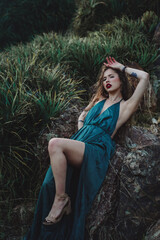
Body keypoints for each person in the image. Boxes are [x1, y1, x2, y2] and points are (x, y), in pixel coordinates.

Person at [24, 57, 149, 240]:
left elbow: (145, 77)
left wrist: (121, 67)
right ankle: (54, 212)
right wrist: (82, 128)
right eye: (104, 78)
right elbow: (83, 114)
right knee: (47, 185)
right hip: (82, 142)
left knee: (55, 144)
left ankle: (62, 199)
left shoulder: (125, 107)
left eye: (112, 77)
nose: (107, 81)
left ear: (121, 80)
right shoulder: (99, 100)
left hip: (97, 150)